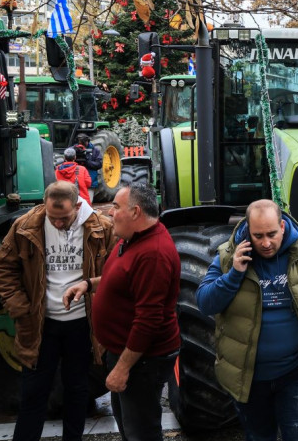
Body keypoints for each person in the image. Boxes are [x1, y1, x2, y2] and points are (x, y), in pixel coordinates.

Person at [196, 199, 298, 441]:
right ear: (248, 231)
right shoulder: (228, 256)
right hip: (249, 378)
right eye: (258, 235)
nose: (266, 243)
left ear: (282, 226)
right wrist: (234, 275)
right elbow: (205, 303)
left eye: (271, 234)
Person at [0, 181, 113, 441]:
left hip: (81, 325)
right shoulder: (25, 227)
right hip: (39, 324)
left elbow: (117, 272)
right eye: (52, 217)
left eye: (64, 218)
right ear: (44, 206)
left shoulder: (101, 227)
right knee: (33, 392)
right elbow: (1, 268)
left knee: (77, 389)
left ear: (77, 206)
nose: (57, 223)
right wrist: (20, 307)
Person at [83, 183, 180, 441]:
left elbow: (148, 320)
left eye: (116, 206)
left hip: (141, 361)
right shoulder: (131, 239)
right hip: (126, 354)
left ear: (136, 212)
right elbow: (120, 278)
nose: (110, 213)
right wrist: (88, 284)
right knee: (128, 426)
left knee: (141, 432)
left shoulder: (153, 254)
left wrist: (122, 369)